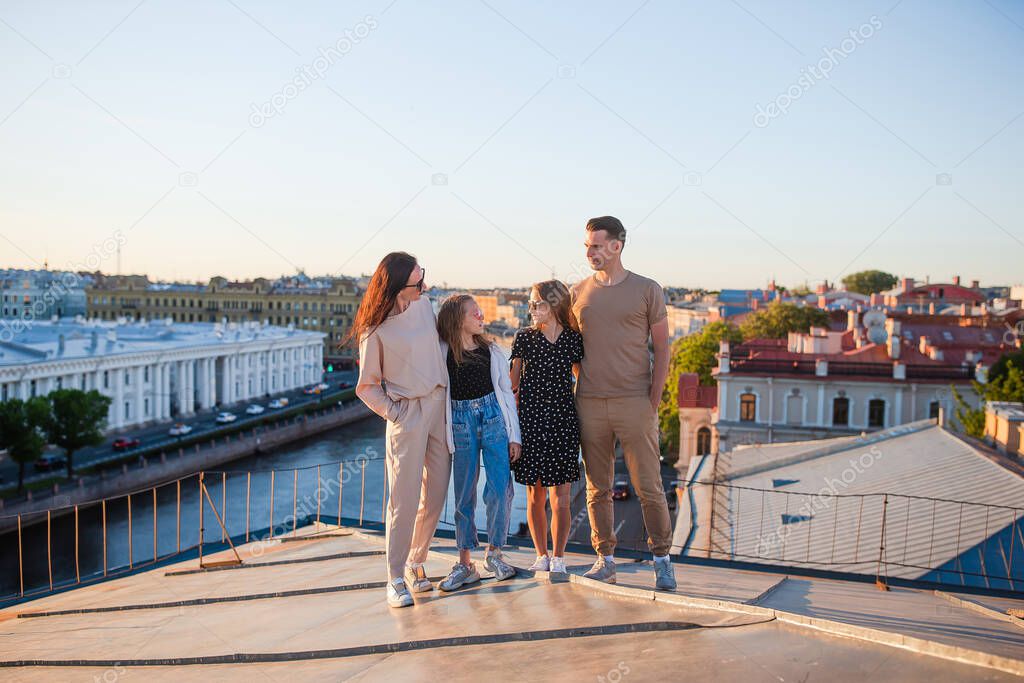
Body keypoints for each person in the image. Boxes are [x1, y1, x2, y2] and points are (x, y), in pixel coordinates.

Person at [570, 216, 677, 590]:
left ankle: (662, 560)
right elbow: (572, 348)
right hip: (590, 402)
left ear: (617, 246)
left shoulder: (648, 289)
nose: (590, 252)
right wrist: (583, 385)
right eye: (587, 245)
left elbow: (662, 348)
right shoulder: (577, 292)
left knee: (650, 487)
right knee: (596, 487)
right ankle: (605, 559)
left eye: (597, 245)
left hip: (635, 401)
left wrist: (653, 399)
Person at [351, 252, 450, 608]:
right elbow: (367, 386)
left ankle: (415, 561)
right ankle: (394, 577)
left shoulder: (425, 308)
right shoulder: (374, 329)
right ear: (396, 287)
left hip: (439, 405)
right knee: (404, 500)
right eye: (417, 281)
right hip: (407, 414)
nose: (424, 285)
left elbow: (440, 346)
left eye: (423, 276)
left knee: (436, 494)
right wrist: (396, 413)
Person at [435, 294, 522, 590]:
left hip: (494, 418)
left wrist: (514, 435)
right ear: (458, 319)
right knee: (463, 494)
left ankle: (494, 553)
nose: (482, 317)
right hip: (461, 423)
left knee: (500, 488)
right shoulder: (442, 353)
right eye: (475, 313)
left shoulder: (492, 351)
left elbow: (506, 394)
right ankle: (464, 563)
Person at [509, 280, 584, 574]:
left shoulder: (573, 341)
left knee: (561, 498)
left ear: (554, 306)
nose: (532, 310)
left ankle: (559, 557)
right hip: (530, 423)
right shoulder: (523, 339)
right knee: (535, 496)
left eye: (536, 304)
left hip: (563, 424)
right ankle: (541, 554)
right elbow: (511, 385)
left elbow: (583, 380)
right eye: (530, 304)